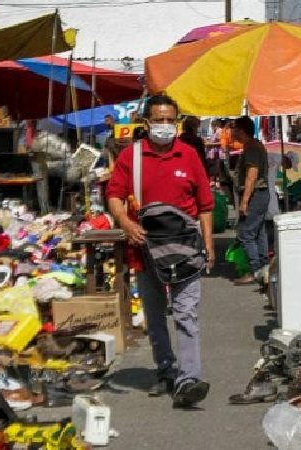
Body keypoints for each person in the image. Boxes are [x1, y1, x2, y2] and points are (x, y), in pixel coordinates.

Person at [106, 94, 214, 408]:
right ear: (147, 122)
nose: (165, 126)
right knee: (155, 317)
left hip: (186, 250)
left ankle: (189, 378)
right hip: (145, 250)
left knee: (185, 314)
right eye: (159, 120)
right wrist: (126, 223)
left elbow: (205, 205)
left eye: (171, 120)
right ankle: (166, 369)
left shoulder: (189, 155)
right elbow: (114, 195)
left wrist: (208, 244)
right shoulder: (132, 157)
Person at [233, 116, 270, 286]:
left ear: (241, 131)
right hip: (260, 194)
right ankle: (263, 268)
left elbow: (251, 175)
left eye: (234, 129)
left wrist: (245, 201)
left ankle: (255, 271)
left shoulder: (252, 148)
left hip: (256, 194)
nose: (232, 132)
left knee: (247, 233)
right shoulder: (253, 146)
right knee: (258, 232)